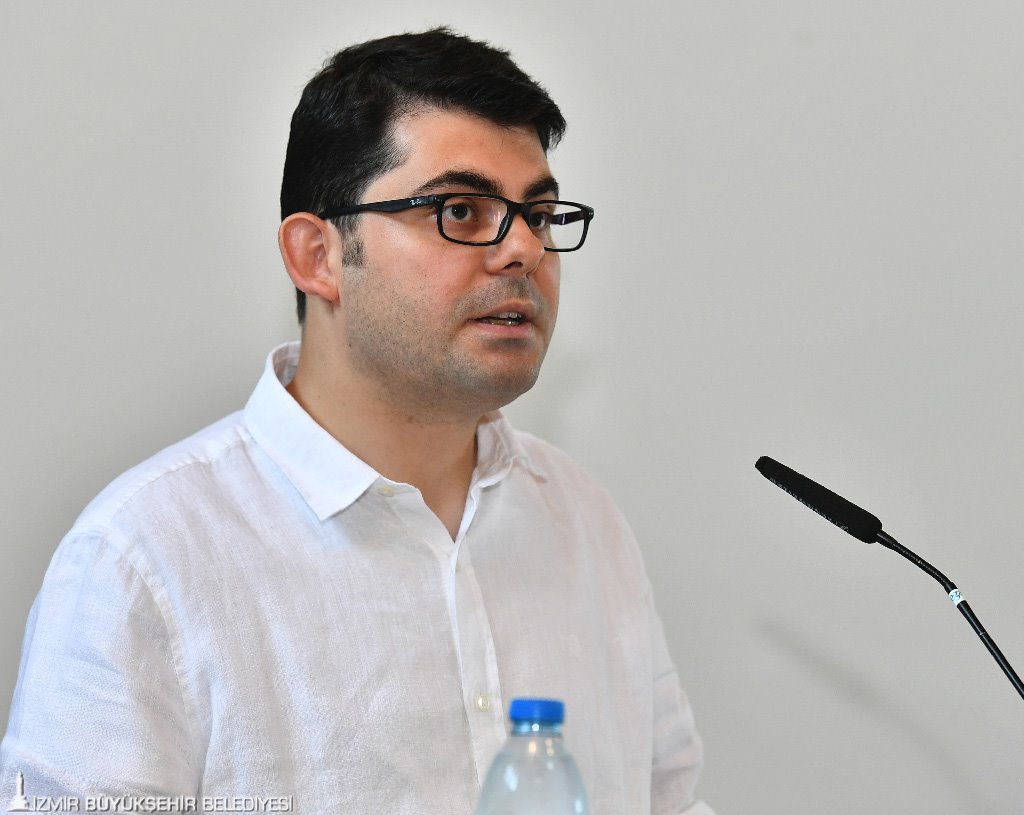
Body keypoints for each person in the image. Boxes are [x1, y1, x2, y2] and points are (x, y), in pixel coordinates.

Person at [1, 28, 714, 815]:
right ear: (318, 256)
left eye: (538, 214)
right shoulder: (145, 561)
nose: (522, 249)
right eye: (460, 210)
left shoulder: (581, 520)